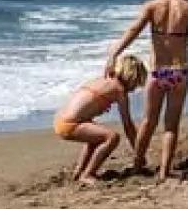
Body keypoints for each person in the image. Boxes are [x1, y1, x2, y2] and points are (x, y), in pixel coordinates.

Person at [107, 0, 188, 181]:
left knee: (148, 121)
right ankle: (165, 170)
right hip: (179, 72)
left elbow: (133, 31)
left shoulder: (152, 6)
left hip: (157, 72)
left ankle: (137, 164)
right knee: (171, 124)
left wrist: (114, 54)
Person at [53, 55, 146, 184]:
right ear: (131, 77)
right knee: (112, 137)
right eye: (136, 83)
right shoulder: (119, 91)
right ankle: (87, 174)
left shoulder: (103, 80)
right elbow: (128, 125)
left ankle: (79, 171)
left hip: (60, 119)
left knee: (95, 139)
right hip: (69, 124)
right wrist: (139, 153)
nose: (135, 88)